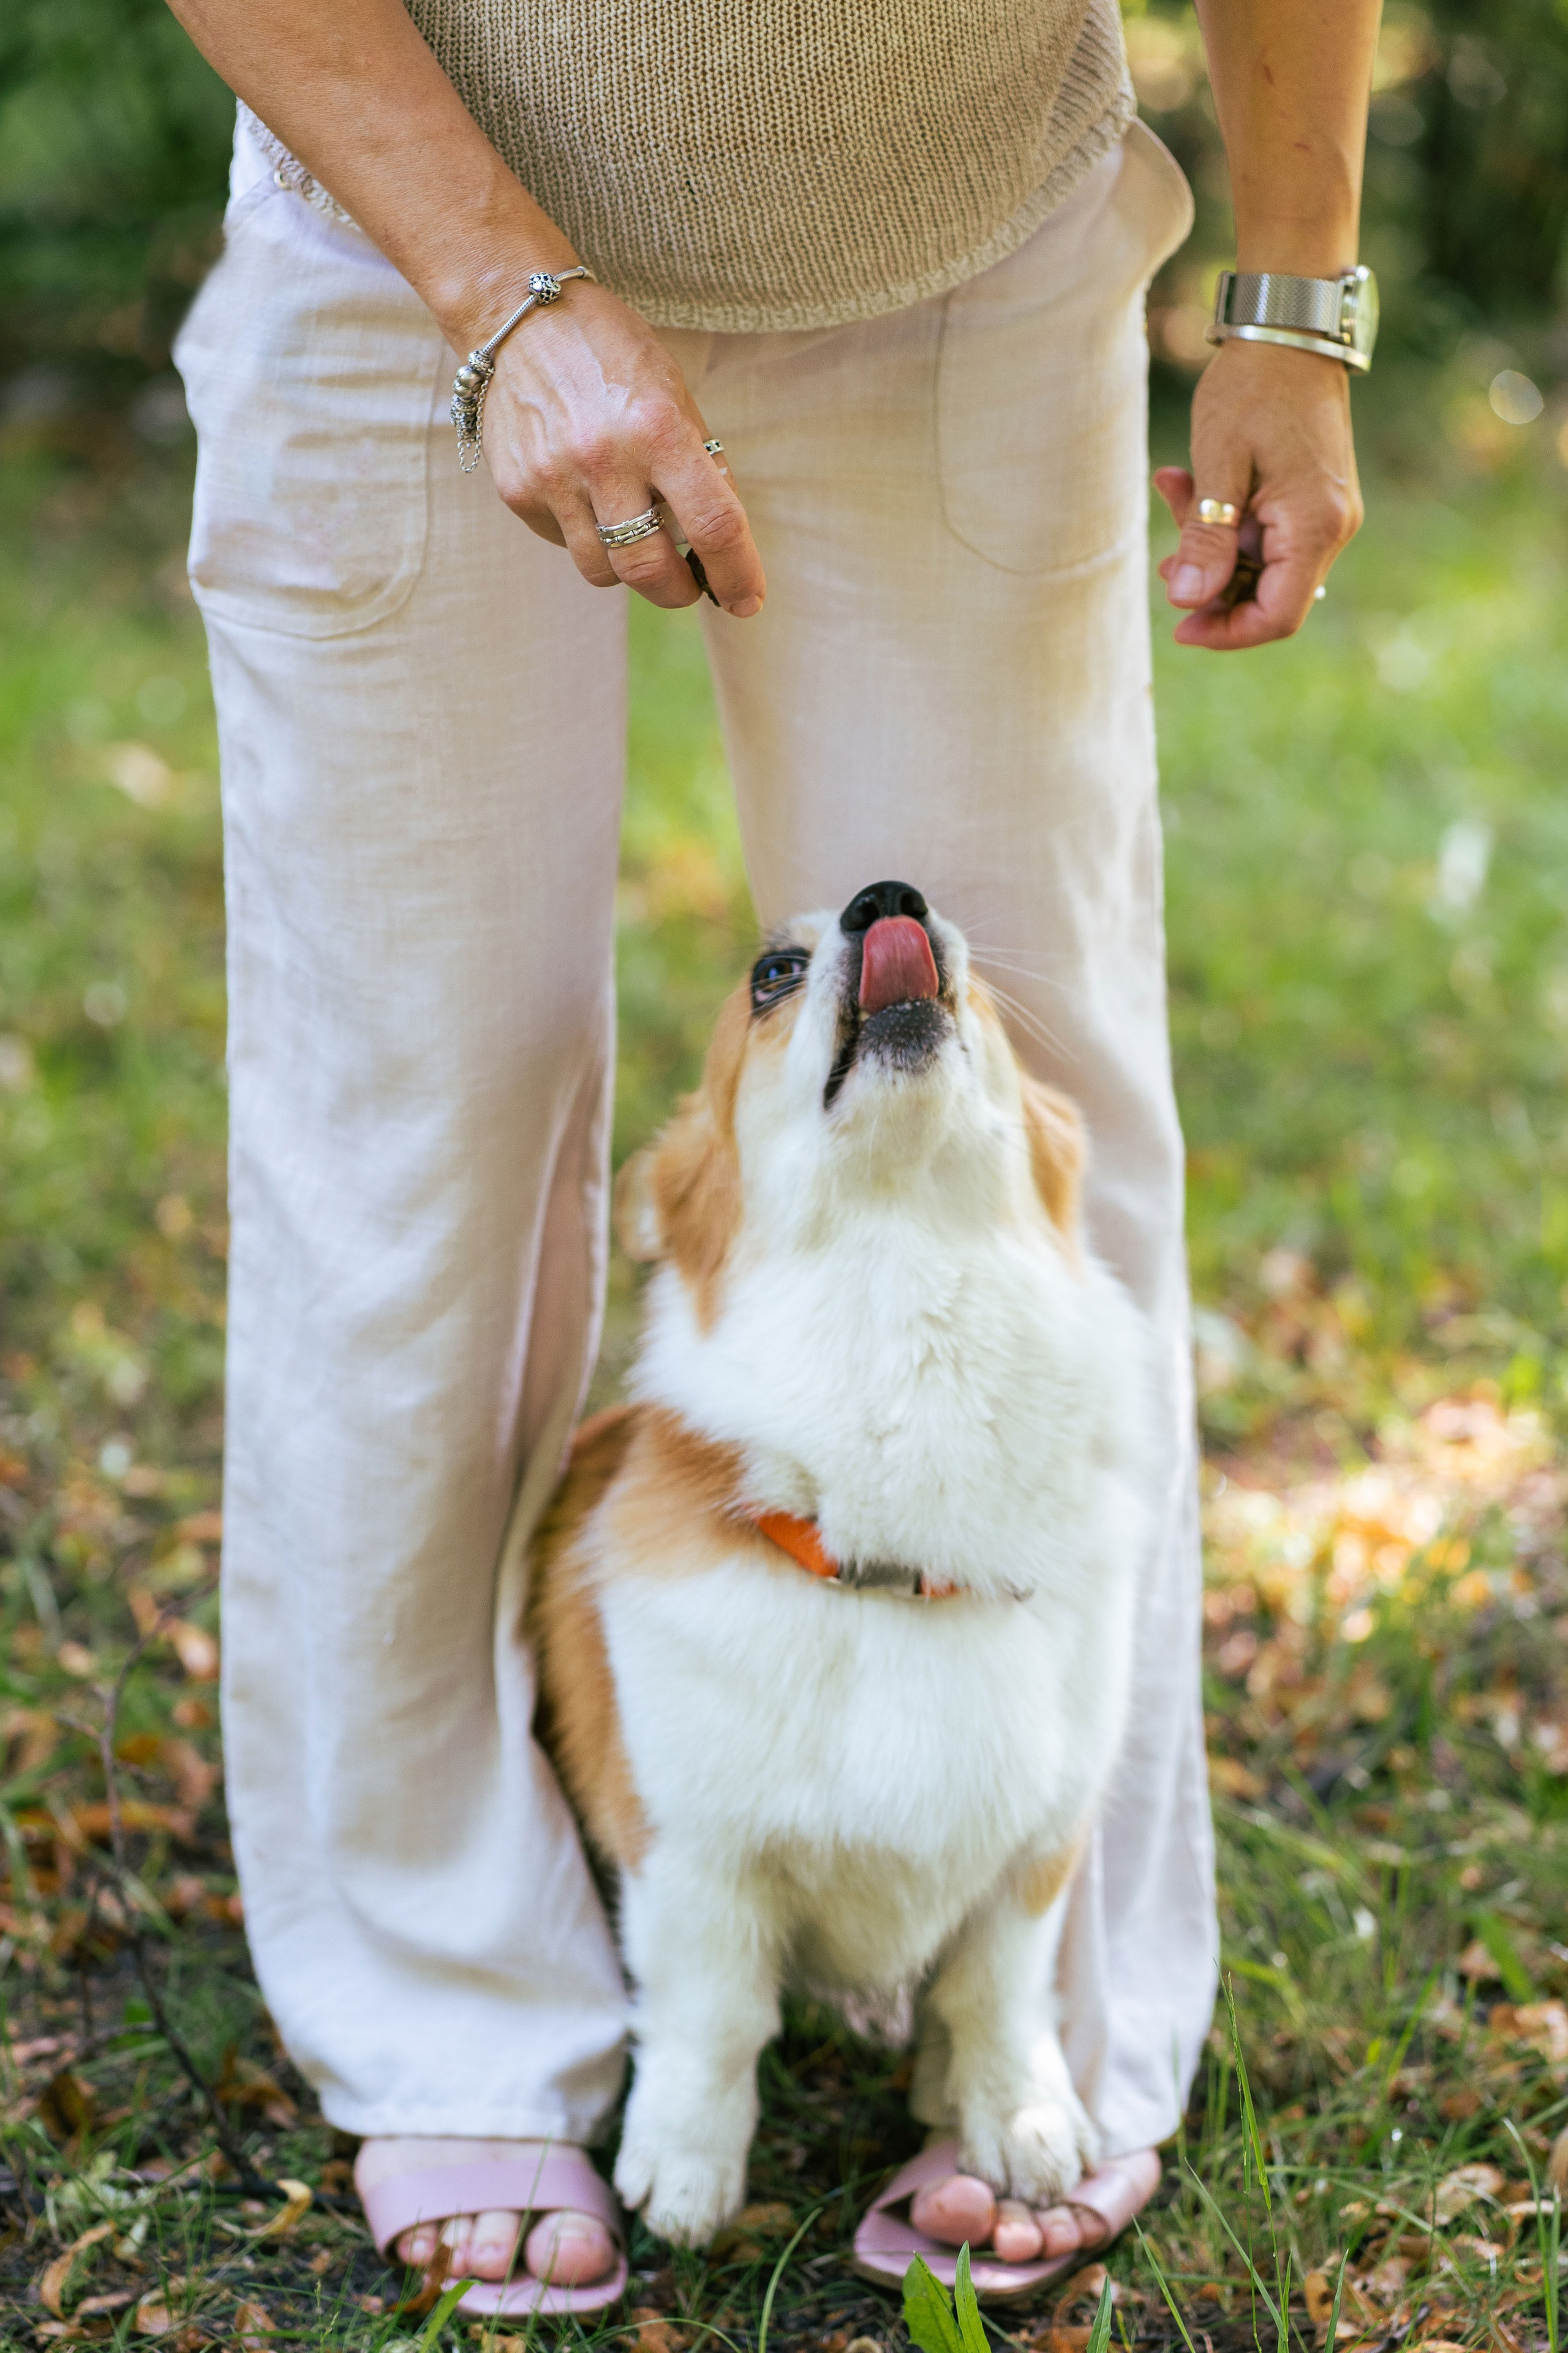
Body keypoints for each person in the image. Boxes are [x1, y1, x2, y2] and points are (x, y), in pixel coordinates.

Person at [163, 0, 1379, 2308]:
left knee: (1030, 1114)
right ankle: (446, 1994)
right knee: (417, 1151)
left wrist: (1296, 303)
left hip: (961, 243)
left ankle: (1038, 2003)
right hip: (395, 240)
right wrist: (502, 291)